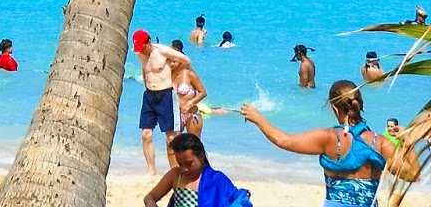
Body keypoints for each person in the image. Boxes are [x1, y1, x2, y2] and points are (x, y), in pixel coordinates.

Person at [242, 77, 410, 204]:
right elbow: (412, 174)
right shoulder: (378, 142)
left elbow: (283, 140)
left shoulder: (329, 138)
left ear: (334, 108)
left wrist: (258, 119)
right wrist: (407, 139)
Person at [132, 30, 190, 175]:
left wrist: (174, 72)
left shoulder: (163, 51)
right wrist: (146, 86)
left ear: (149, 42)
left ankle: (176, 169)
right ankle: (151, 171)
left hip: (165, 95)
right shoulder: (140, 54)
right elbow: (144, 70)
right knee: (146, 134)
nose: (141, 51)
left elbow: (186, 60)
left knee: (171, 137)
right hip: (149, 96)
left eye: (142, 47)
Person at [143, 132, 246, 207]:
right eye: (180, 164)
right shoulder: (176, 175)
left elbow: (236, 201)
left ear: (201, 156)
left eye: (189, 164)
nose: (184, 169)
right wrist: (151, 204)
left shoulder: (217, 179)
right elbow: (150, 196)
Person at [171, 41, 208, 136]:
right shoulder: (168, 76)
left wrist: (189, 103)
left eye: (174, 61)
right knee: (174, 145)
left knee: (194, 146)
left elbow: (203, 92)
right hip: (175, 115)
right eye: (170, 61)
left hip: (191, 114)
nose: (172, 64)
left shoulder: (189, 74)